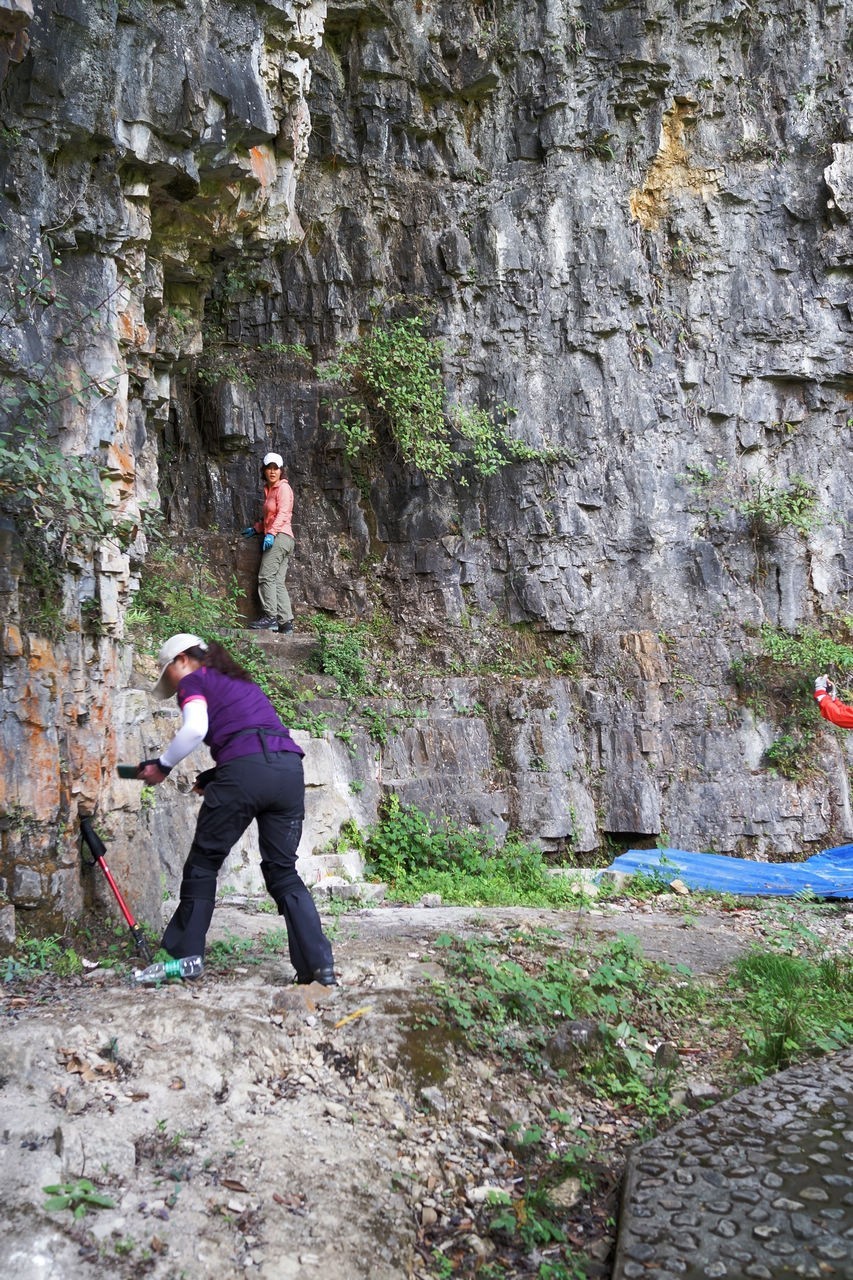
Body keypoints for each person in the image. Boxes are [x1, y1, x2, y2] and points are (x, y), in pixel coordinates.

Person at [137, 633, 336, 985]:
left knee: (203, 864)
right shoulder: (239, 682)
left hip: (246, 773)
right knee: (283, 871)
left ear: (182, 659)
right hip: (288, 771)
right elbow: (256, 736)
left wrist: (163, 766)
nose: (168, 679)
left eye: (167, 669)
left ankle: (183, 959)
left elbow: (196, 728)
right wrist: (216, 775)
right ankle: (318, 966)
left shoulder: (194, 679)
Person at [242, 451, 295, 634]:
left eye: (276, 468)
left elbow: (283, 513)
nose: (272, 472)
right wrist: (257, 528)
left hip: (281, 537)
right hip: (282, 536)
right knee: (277, 581)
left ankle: (270, 617)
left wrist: (271, 533)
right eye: (269, 468)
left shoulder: (283, 489)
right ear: (263, 471)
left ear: (281, 471)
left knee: (266, 576)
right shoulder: (269, 491)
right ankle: (286, 622)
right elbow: (270, 517)